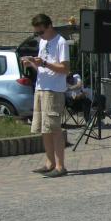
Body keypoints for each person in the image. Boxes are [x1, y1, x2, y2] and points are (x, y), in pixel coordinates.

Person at [23, 14, 71, 178]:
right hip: (41, 88)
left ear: (49, 26)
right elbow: (43, 69)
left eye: (41, 32)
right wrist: (32, 64)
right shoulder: (43, 42)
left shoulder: (61, 42)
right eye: (37, 33)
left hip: (53, 91)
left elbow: (65, 69)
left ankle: (60, 166)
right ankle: (50, 163)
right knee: (45, 129)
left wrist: (43, 63)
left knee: (54, 128)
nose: (40, 35)